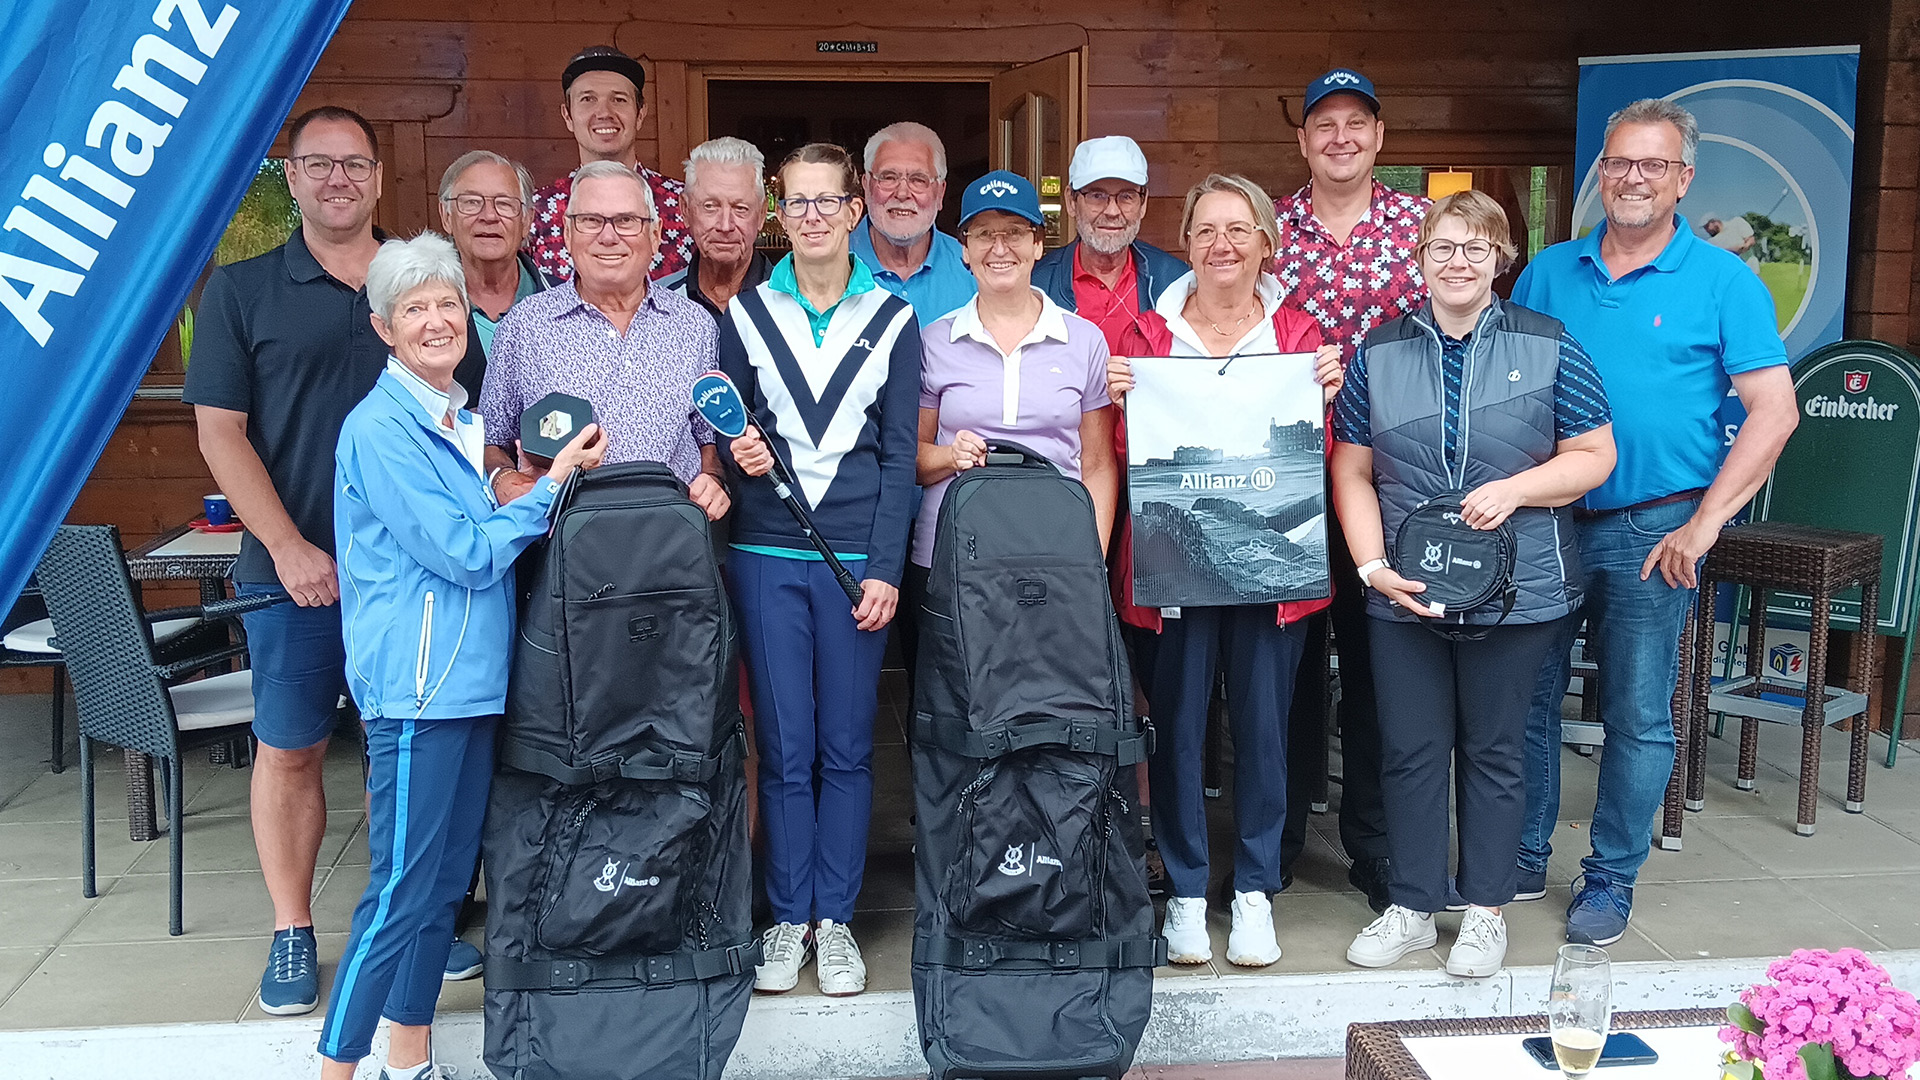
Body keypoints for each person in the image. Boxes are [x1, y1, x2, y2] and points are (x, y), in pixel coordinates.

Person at [321, 233, 605, 1080]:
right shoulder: (380, 429)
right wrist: (550, 486)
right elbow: (465, 553)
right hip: (417, 690)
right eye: (416, 308)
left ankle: (408, 1061)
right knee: (399, 893)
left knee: (443, 890)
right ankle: (336, 1068)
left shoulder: (456, 416)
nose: (439, 320)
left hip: (471, 685)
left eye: (448, 303)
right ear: (384, 328)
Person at [1514, 98, 1797, 947]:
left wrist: (1706, 523)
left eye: (1652, 165)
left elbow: (1773, 413)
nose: (1632, 178)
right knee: (1524, 702)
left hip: (1654, 530)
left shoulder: (1724, 283)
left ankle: (1609, 876)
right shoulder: (1549, 272)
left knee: (1636, 713)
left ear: (1683, 179)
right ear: (1601, 171)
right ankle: (1521, 854)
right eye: (1619, 163)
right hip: (1549, 523)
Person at [1328, 191, 1616, 978]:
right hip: (1405, 588)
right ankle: (1414, 907)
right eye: (1443, 248)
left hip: (1519, 590)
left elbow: (1595, 455)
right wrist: (1370, 568)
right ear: (1418, 260)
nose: (1458, 262)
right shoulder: (1376, 352)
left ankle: (1485, 911)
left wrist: (1519, 490)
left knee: (1495, 750)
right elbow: (1351, 469)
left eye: (1476, 248)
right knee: (1409, 750)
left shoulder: (1551, 343)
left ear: (1501, 260)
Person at [1107, 174, 1344, 969]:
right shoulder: (1145, 334)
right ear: (1189, 242)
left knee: (1264, 733)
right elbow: (1122, 459)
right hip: (1173, 570)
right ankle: (1182, 891)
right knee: (1174, 730)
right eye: (1206, 230)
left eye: (1239, 230)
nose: (1222, 246)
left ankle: (1253, 892)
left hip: (1272, 588)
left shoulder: (1302, 333)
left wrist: (1329, 398)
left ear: (1266, 244)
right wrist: (1117, 406)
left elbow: (1326, 455)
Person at [185, 106, 390, 1017]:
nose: (338, 179)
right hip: (293, 570)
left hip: (411, 575)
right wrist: (288, 545)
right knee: (292, 748)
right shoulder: (239, 290)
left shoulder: (420, 280)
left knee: (406, 753)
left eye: (354, 164)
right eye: (319, 164)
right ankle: (292, 932)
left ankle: (402, 920)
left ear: (379, 177)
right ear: (292, 178)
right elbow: (220, 436)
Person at [717, 143, 920, 998]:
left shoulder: (895, 318)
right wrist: (739, 453)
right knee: (784, 745)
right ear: (780, 214)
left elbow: (903, 455)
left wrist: (885, 569)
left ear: (853, 212)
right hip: (766, 556)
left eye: (825, 201)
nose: (810, 216)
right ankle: (784, 918)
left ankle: (834, 919)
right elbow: (725, 438)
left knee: (845, 744)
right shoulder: (747, 315)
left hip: (853, 573)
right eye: (794, 203)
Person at [1270, 68, 1432, 911]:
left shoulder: (1421, 227)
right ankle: (1279, 845)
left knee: (1378, 676)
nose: (1340, 136)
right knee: (1287, 676)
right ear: (1302, 139)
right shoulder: (1269, 229)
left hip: (1389, 488)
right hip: (1290, 484)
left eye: (1356, 122)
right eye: (1324, 123)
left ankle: (1375, 849)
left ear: (1379, 135)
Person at [909, 170, 1119, 652]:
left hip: (1055, 552)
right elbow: (913, 460)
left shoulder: (1084, 340)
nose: (998, 248)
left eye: (1014, 233)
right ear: (964, 248)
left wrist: (1093, 557)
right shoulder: (936, 340)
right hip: (955, 553)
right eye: (984, 234)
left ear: (1038, 243)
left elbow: (1099, 464)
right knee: (960, 699)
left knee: (1048, 699)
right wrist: (950, 456)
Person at [478, 160, 731, 522]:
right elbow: (490, 440)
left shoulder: (695, 326)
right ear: (567, 233)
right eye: (591, 221)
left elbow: (711, 438)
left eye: (626, 220)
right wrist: (503, 480)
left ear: (656, 234)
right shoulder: (525, 327)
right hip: (567, 545)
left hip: (673, 542)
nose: (608, 236)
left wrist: (713, 478)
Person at [526, 46, 692, 283]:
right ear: (567, 116)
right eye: (588, 99)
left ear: (641, 114)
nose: (604, 112)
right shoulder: (537, 211)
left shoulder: (683, 206)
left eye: (619, 99)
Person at [1032, 135, 1188, 357]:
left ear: (1143, 204)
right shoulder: (1037, 286)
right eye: (1097, 195)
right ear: (1071, 201)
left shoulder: (1175, 281)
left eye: (1126, 196)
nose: (1112, 211)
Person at [438, 150, 553, 403]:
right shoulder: (419, 309)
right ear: (447, 217)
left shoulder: (563, 302)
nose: (489, 216)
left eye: (504, 204)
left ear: (526, 220)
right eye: (471, 202)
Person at [849, 121, 977, 326]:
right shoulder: (831, 264)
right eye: (888, 177)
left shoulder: (972, 269)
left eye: (918, 180)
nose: (902, 193)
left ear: (940, 193)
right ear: (866, 186)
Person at [659, 136, 775, 317]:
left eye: (740, 208)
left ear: (761, 214)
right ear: (685, 209)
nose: (725, 226)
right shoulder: (658, 304)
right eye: (710, 206)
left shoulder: (794, 303)